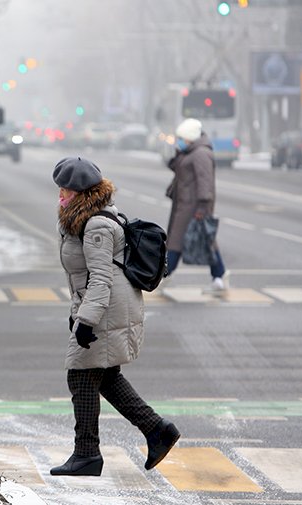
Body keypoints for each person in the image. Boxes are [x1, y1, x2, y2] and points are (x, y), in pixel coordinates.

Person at [50, 156, 180, 477]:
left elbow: (100, 279)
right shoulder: (79, 218)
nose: (60, 196)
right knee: (104, 376)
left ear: (80, 193)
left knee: (80, 375)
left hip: (108, 309)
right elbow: (80, 280)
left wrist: (86, 321)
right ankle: (157, 430)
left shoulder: (95, 225)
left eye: (65, 191)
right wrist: (77, 315)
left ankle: (87, 454)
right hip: (104, 306)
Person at [165, 118, 228, 292]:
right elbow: (176, 167)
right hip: (185, 205)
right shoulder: (190, 152)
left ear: (189, 138)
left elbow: (205, 182)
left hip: (194, 207)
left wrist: (202, 208)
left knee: (176, 242)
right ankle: (219, 275)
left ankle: (164, 275)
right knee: (206, 241)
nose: (178, 141)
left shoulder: (201, 154)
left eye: (181, 138)